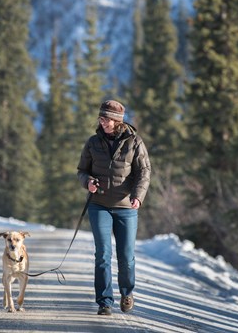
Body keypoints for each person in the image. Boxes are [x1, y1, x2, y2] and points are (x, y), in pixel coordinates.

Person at [77, 99, 151, 316]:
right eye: (101, 119)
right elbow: (82, 170)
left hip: (127, 207)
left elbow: (144, 172)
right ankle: (104, 302)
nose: (103, 123)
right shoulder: (93, 142)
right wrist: (87, 182)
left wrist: (138, 196)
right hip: (99, 205)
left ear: (117, 121)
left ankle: (127, 293)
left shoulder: (134, 142)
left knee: (126, 256)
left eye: (106, 119)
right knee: (102, 255)